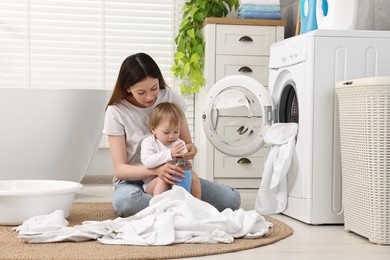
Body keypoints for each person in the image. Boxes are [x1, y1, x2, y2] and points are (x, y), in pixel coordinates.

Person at [103, 52, 241, 217]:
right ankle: (179, 206)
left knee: (231, 199)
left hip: (174, 175)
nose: (150, 97)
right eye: (141, 92)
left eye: (154, 88)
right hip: (133, 181)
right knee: (126, 203)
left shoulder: (168, 97)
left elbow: (188, 144)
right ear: (128, 88)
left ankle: (167, 207)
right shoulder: (116, 112)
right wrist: (157, 171)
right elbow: (120, 169)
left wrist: (190, 151)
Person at [140, 102, 201, 198]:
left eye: (176, 131)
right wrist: (170, 154)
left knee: (194, 177)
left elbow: (183, 163)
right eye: (166, 132)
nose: (172, 136)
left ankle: (195, 204)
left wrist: (187, 165)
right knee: (163, 180)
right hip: (154, 182)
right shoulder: (149, 142)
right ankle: (159, 207)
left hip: (176, 179)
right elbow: (147, 162)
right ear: (153, 129)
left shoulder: (179, 143)